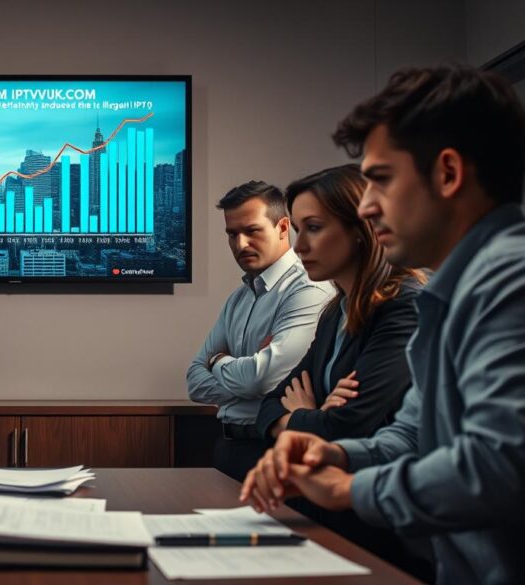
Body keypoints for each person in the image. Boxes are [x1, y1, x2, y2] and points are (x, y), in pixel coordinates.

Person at [240, 64, 525, 585]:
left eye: (382, 180)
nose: (368, 207)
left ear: (448, 173)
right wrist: (333, 451)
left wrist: (350, 488)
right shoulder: (453, 293)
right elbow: (411, 436)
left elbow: (498, 466)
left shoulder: (509, 283)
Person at [255, 164, 425, 442]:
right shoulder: (335, 312)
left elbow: (346, 426)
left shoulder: (404, 306)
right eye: (299, 229)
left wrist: (303, 414)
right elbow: (269, 408)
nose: (299, 246)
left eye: (314, 227)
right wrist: (318, 416)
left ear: (362, 228)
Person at [187, 181, 333, 481]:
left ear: (282, 228)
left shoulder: (308, 289)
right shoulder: (238, 299)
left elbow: (265, 377)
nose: (240, 244)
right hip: (227, 448)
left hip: (272, 450)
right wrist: (249, 378)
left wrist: (218, 363)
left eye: (252, 230)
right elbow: (194, 382)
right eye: (232, 234)